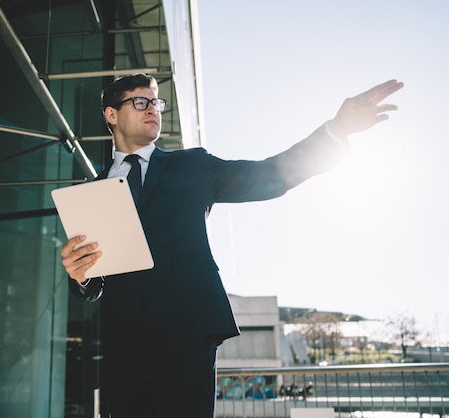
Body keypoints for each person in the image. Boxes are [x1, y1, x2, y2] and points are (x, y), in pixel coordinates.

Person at [60, 73, 403, 418]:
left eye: (156, 102)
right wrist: (82, 276)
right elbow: (97, 281)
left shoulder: (193, 165)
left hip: (187, 334)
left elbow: (271, 175)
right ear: (111, 115)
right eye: (140, 101)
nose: (153, 109)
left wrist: (335, 130)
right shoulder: (94, 191)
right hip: (123, 344)